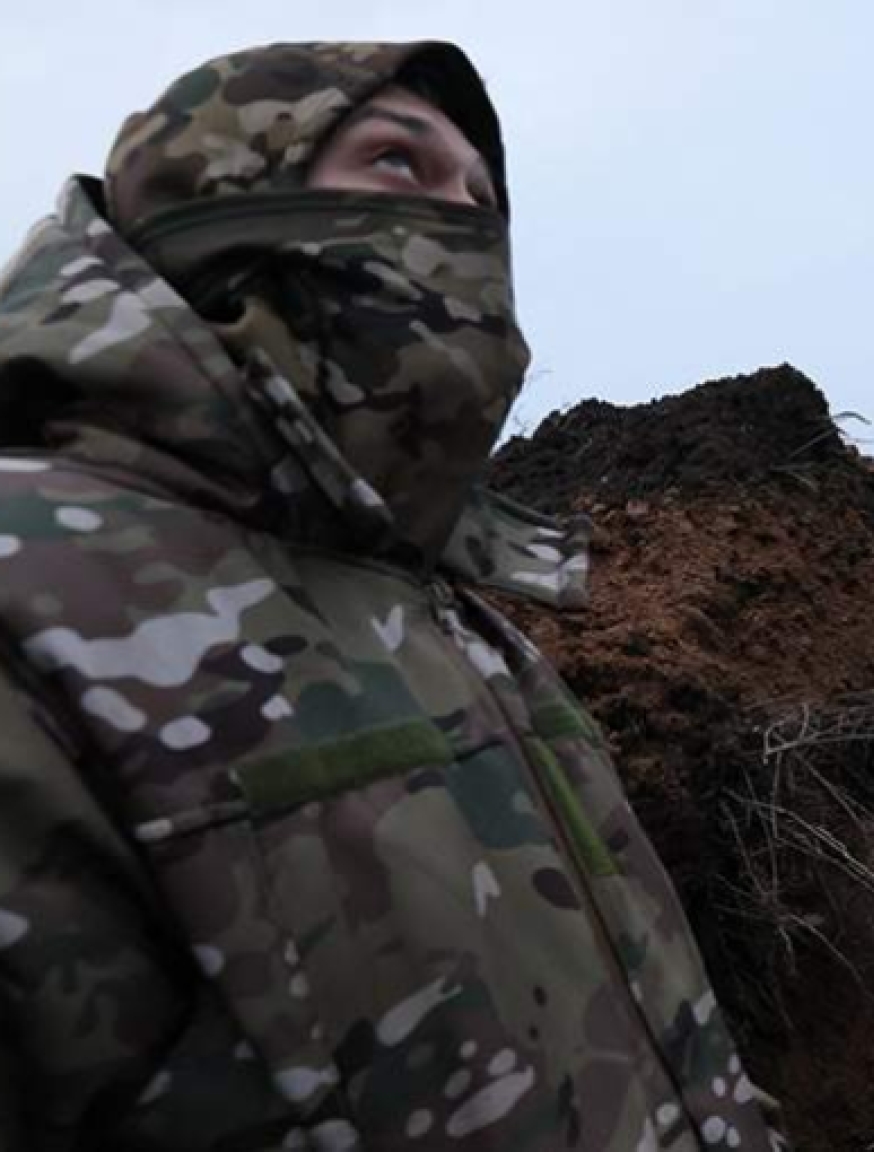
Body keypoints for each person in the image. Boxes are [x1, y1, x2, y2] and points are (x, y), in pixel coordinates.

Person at [0, 41, 787, 1150]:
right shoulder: (30, 589)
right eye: (398, 164)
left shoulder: (465, 619)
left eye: (481, 198)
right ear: (214, 202)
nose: (463, 224)